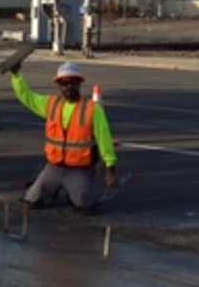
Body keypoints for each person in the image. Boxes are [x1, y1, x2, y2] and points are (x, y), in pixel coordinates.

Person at [9, 60, 119, 211]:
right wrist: (16, 76)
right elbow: (27, 97)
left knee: (83, 206)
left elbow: (104, 138)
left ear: (79, 83)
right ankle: (52, 188)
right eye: (64, 83)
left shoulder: (93, 109)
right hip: (54, 168)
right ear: (59, 85)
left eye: (72, 82)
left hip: (79, 169)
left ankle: (80, 187)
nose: (68, 86)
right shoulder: (51, 104)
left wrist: (110, 169)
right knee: (31, 202)